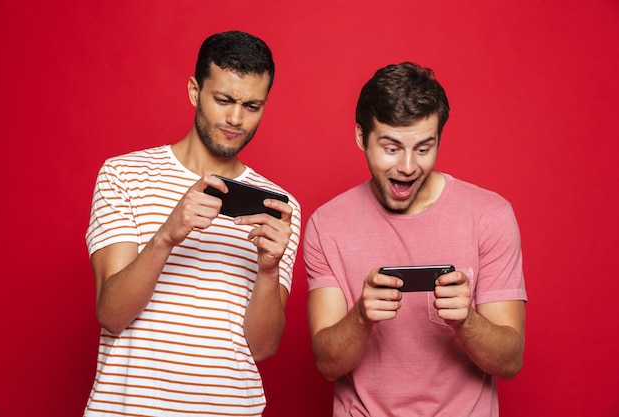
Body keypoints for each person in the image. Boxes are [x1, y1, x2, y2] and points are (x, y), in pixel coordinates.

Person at [84, 30, 301, 416]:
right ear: (193, 91)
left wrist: (268, 270)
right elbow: (111, 314)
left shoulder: (280, 208)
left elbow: (263, 348)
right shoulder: (123, 175)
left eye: (252, 106)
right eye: (223, 100)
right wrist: (166, 236)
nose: (236, 119)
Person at [304, 62, 526, 416]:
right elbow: (328, 364)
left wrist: (465, 320)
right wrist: (361, 316)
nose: (407, 167)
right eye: (391, 148)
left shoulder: (490, 217)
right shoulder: (325, 225)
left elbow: (510, 362)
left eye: (423, 148)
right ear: (361, 136)